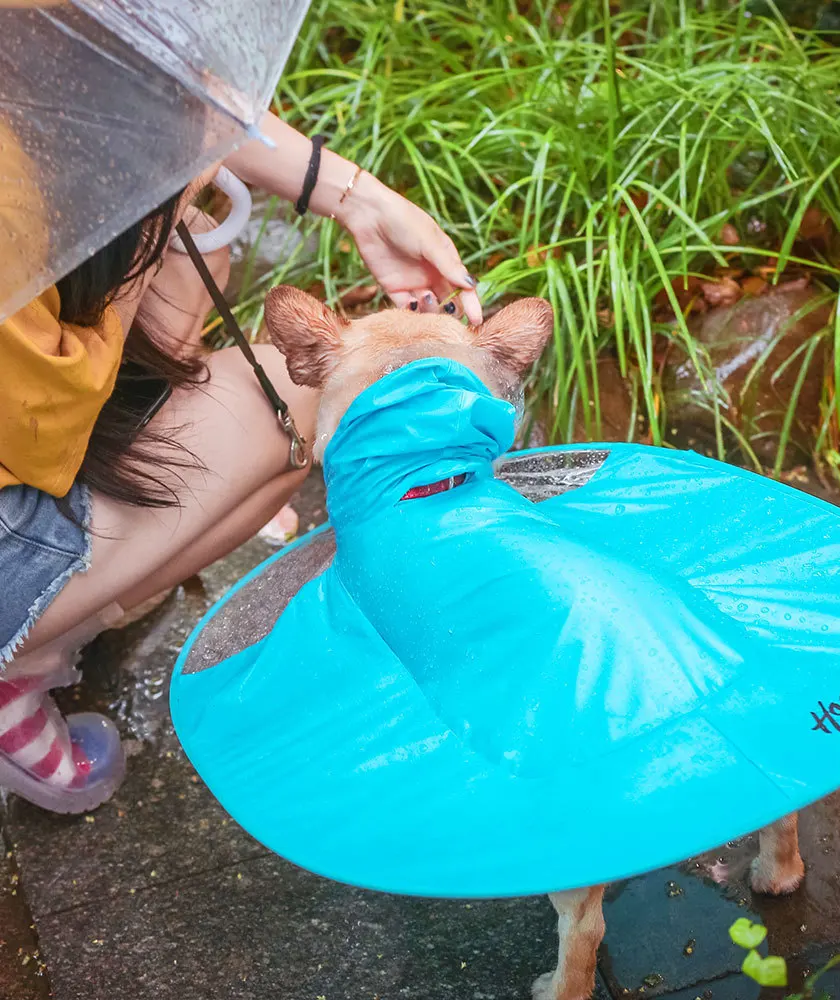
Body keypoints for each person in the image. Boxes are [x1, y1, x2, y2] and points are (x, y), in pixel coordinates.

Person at [0, 110, 483, 813]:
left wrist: (357, 197)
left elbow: (161, 85)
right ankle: (18, 661)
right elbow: (44, 423)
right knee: (291, 404)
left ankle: (91, 573)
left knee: (194, 252)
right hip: (32, 428)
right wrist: (148, 214)